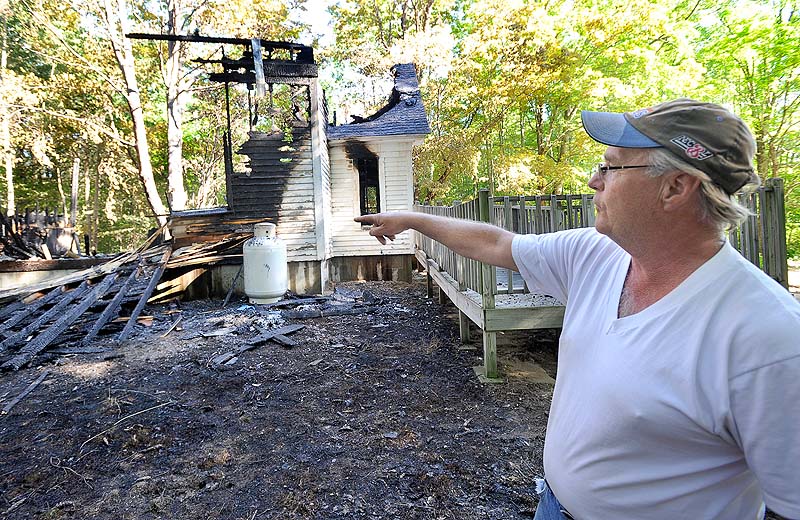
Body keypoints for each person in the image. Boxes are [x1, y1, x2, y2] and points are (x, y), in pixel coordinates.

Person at [354, 99, 800, 520]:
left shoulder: (767, 338)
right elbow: (497, 242)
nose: (594, 180)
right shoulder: (595, 253)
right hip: (553, 506)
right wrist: (411, 219)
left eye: (611, 167)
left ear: (676, 187)